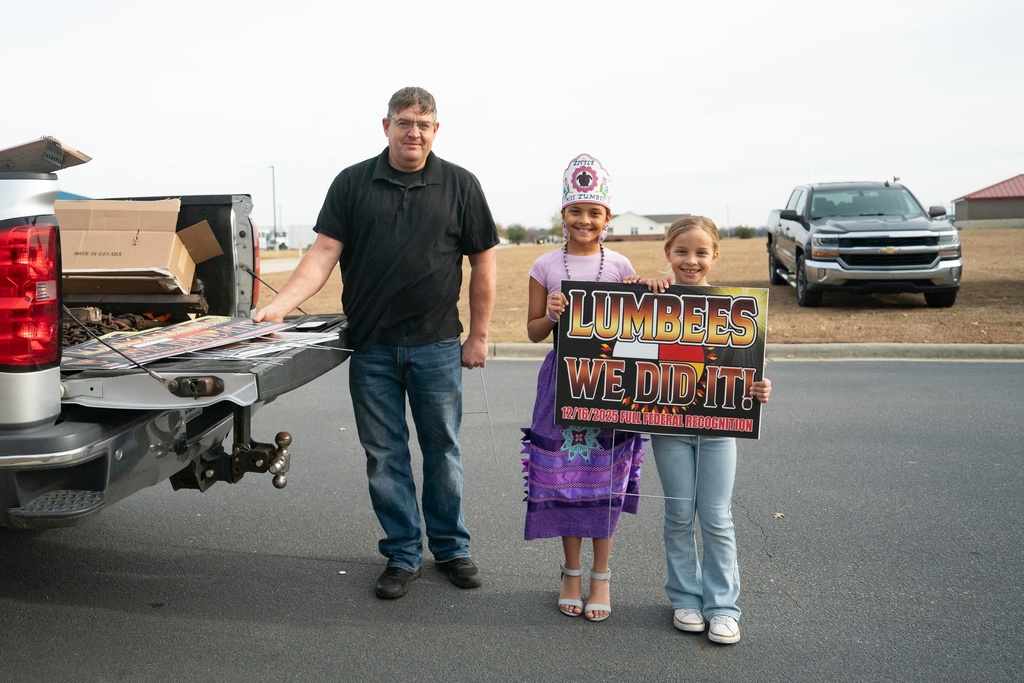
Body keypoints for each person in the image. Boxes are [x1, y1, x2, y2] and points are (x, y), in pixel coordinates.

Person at [253, 86, 499, 600]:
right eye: (404, 122)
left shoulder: (461, 185)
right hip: (371, 348)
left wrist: (478, 335)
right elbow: (322, 254)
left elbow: (484, 263)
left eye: (424, 124)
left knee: (443, 451)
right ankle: (403, 553)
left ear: (436, 130)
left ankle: (452, 547)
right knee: (385, 456)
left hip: (436, 346)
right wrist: (280, 305)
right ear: (384, 125)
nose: (414, 132)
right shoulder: (352, 183)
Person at [521, 153, 645, 622]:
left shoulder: (620, 264)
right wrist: (551, 313)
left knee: (604, 477)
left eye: (594, 211)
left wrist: (642, 293)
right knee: (566, 478)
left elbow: (640, 333)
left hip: (610, 383)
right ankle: (570, 572)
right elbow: (533, 332)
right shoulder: (544, 265)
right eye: (576, 210)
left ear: (607, 217)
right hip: (561, 383)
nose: (585, 220)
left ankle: (602, 576)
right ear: (563, 215)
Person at [641, 215, 772, 644]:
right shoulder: (652, 300)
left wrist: (759, 387)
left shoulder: (735, 309)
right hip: (669, 427)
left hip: (718, 429)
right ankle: (684, 598)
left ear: (714, 256)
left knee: (716, 517)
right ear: (668, 254)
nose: (690, 260)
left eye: (700, 253)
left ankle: (723, 608)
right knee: (678, 514)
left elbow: (752, 369)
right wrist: (649, 287)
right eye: (681, 251)